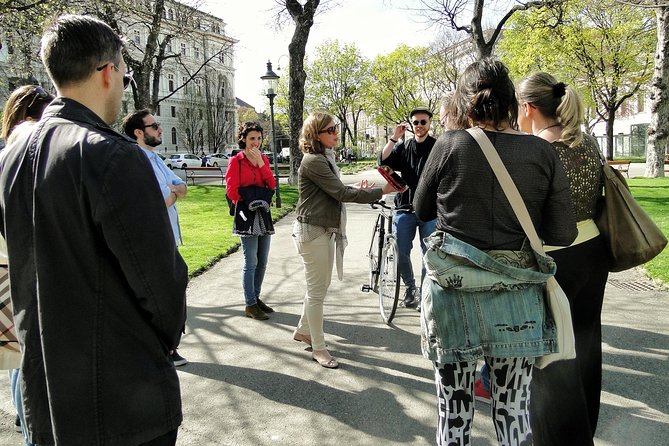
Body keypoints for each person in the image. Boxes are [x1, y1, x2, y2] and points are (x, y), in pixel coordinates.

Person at [0, 14, 187, 446]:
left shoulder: (12, 154)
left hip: (48, 389)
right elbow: (160, 283)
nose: (124, 83)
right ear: (107, 72)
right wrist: (163, 341)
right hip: (119, 395)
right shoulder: (113, 156)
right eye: (124, 72)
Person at [413, 58, 577, 445]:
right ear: (509, 102)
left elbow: (420, 209)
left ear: (465, 102)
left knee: (452, 411)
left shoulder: (449, 145)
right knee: (514, 410)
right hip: (517, 301)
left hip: (453, 297)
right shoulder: (541, 152)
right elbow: (563, 232)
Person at [517, 72, 609, 446]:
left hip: (556, 260)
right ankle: (583, 433)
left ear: (527, 108)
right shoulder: (585, 141)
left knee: (552, 362)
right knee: (586, 348)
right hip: (593, 254)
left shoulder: (536, 149)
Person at [292, 112, 396, 369]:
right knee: (317, 291)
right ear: (316, 135)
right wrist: (380, 190)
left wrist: (361, 190)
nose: (335, 133)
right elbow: (339, 192)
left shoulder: (325, 157)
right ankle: (318, 347)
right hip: (313, 231)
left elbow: (334, 192)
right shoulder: (314, 161)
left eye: (335, 128)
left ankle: (304, 330)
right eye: (330, 130)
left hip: (323, 228)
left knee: (318, 287)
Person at [0, 84, 54, 444]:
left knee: (16, 359)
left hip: (9, 269)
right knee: (26, 359)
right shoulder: (23, 158)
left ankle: (26, 420)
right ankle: (31, 425)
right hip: (15, 269)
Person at [122, 110, 189, 366]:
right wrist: (173, 193)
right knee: (165, 296)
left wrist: (174, 191)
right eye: (154, 126)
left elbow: (182, 186)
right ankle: (166, 349)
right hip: (153, 240)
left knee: (174, 290)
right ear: (139, 132)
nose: (160, 130)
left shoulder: (156, 157)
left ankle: (169, 347)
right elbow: (161, 200)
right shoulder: (137, 160)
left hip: (168, 238)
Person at [379, 107, 437, 309]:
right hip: (405, 207)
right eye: (416, 123)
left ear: (430, 122)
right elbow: (384, 160)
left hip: (430, 211)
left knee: (428, 254)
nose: (419, 126)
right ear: (411, 125)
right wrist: (394, 137)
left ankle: (424, 293)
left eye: (423, 122)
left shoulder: (437, 147)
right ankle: (410, 288)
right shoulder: (404, 147)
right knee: (401, 252)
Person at [225, 122, 276, 320]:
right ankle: (250, 304)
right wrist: (253, 197)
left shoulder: (263, 159)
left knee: (262, 260)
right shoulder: (236, 161)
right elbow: (232, 191)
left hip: (263, 213)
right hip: (247, 214)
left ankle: (256, 297)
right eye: (252, 138)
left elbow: (271, 184)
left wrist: (262, 166)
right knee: (251, 261)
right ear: (244, 139)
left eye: (259, 138)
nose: (256, 142)